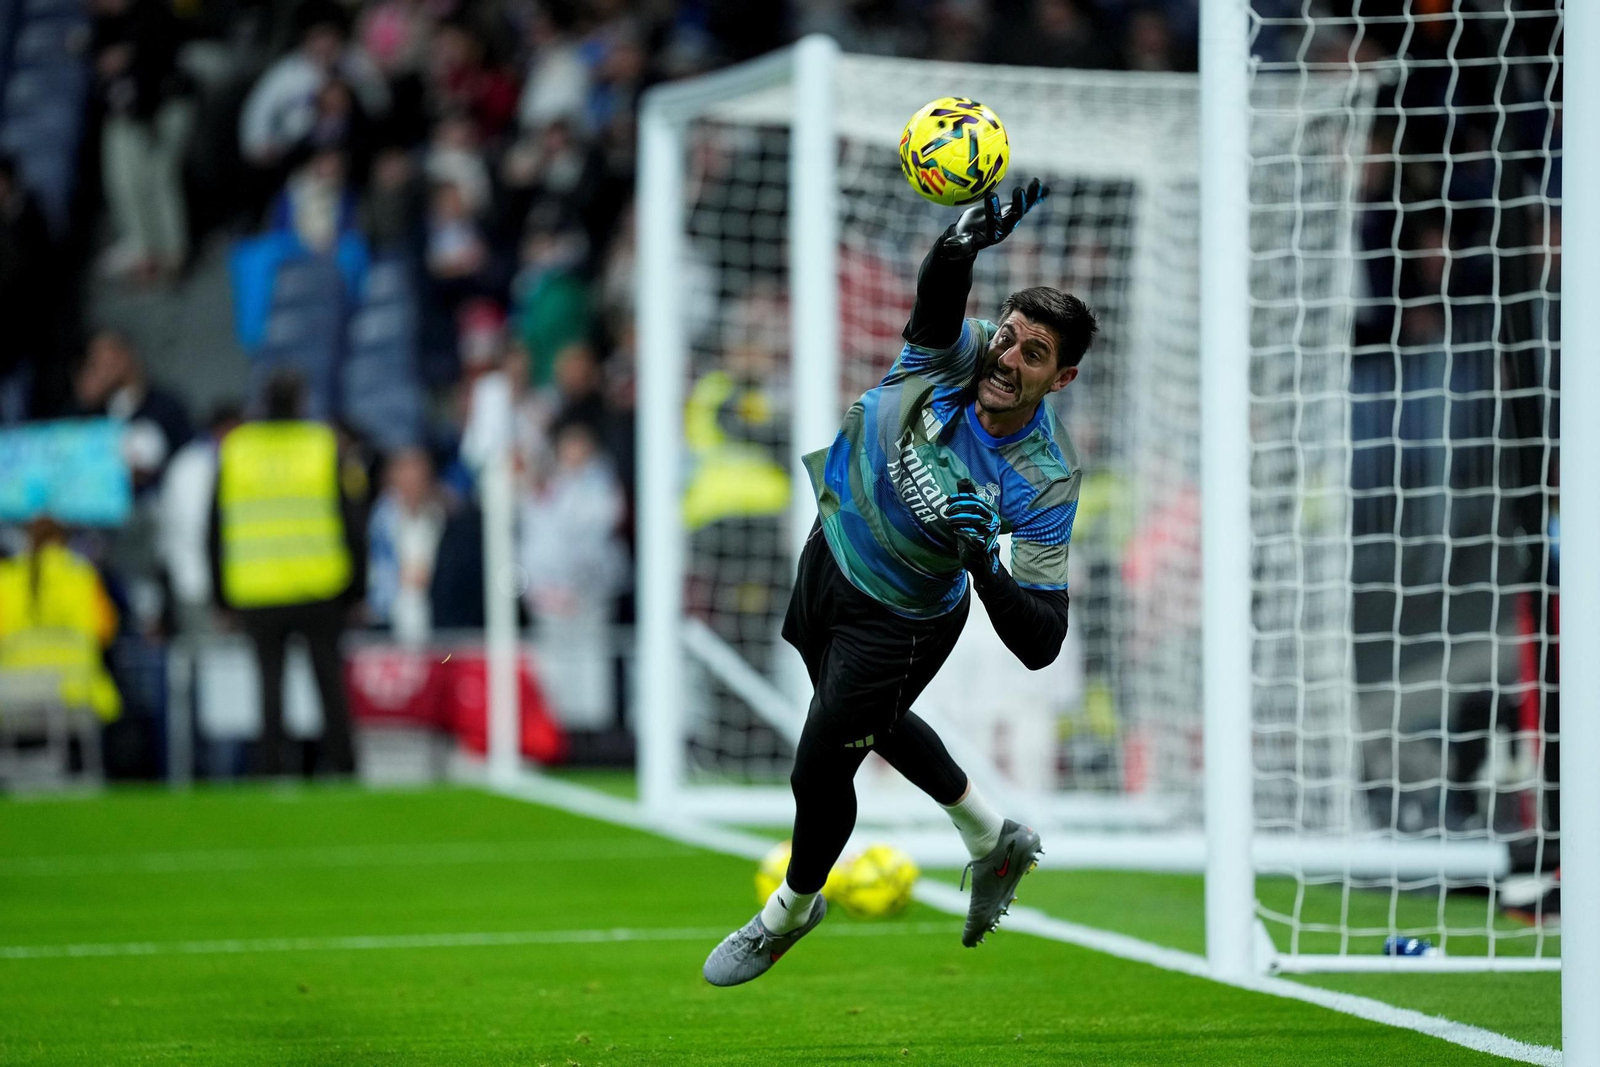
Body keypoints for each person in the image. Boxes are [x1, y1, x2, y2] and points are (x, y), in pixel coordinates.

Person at [703, 180, 1096, 986]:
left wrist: (986, 560)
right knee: (869, 720)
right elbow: (939, 297)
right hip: (833, 543)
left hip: (903, 618)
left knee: (819, 766)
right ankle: (993, 838)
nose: (1008, 357)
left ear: (1062, 380)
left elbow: (1041, 642)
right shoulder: (958, 348)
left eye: (1034, 354)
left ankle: (792, 906)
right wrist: (961, 243)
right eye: (1011, 336)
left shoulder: (1045, 479)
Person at [208, 372, 365, 777]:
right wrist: (358, 589)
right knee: (330, 683)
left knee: (269, 687)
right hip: (319, 585)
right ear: (301, 401)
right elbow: (352, 522)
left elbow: (215, 529)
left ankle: (273, 770)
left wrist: (221, 596)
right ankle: (343, 766)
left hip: (258, 589)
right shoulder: (322, 446)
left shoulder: (237, 449)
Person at [0, 513, 122, 723]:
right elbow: (106, 633)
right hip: (75, 695)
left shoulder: (5, 578)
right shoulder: (83, 575)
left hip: (12, 697)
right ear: (62, 541)